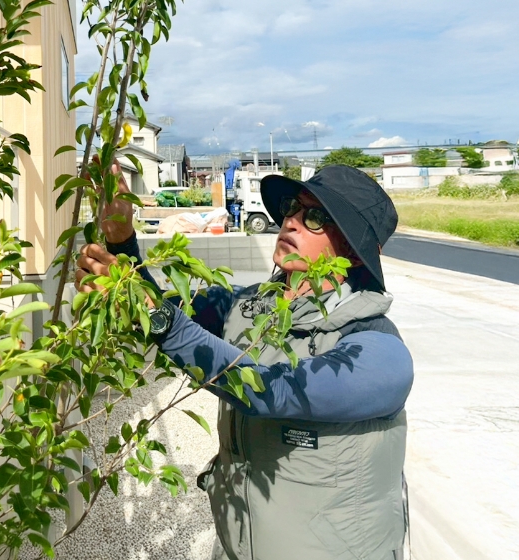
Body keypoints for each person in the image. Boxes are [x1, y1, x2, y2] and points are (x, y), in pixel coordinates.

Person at [75, 163, 413, 560]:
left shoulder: (376, 349)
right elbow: (159, 305)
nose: (290, 222)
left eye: (316, 218)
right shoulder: (250, 307)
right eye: (291, 207)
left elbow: (273, 389)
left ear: (354, 254)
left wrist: (160, 319)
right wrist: (122, 242)